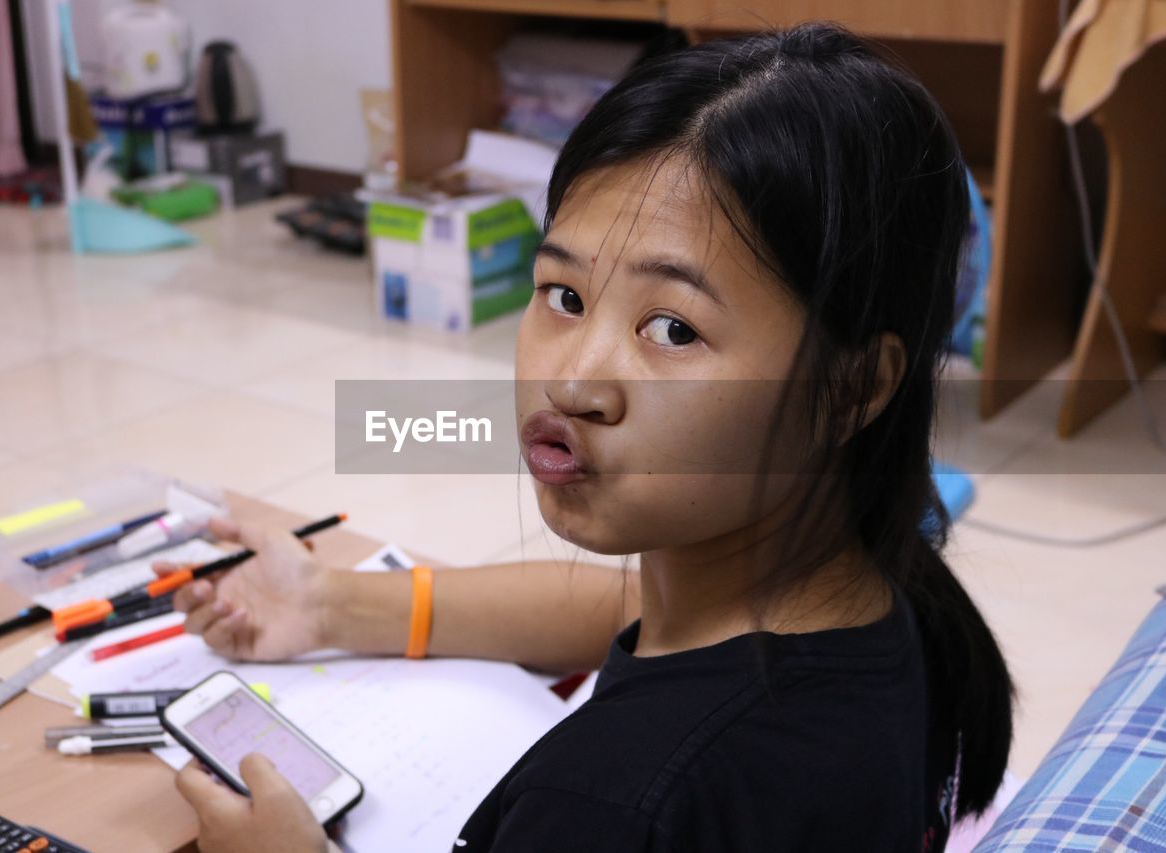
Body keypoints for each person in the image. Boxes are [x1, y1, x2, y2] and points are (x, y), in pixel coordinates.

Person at [165, 23, 1014, 852]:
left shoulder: (614, 805)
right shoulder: (879, 598)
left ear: (853, 386)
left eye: (673, 329)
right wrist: (329, 602)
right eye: (564, 295)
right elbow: (625, 606)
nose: (572, 382)